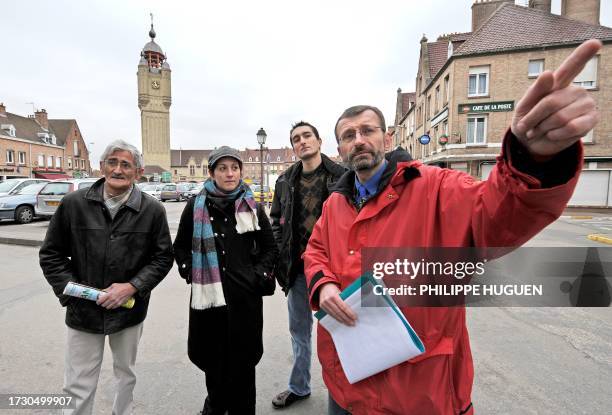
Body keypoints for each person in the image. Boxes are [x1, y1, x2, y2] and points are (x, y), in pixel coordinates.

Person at [304, 39, 602, 415]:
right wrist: (324, 283)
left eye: (368, 130)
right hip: (348, 383)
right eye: (349, 135)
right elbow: (315, 252)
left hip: (421, 394)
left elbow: (498, 216)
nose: (359, 140)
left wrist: (533, 158)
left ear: (388, 138)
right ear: (340, 149)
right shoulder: (335, 204)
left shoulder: (436, 187)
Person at [39, 140, 174, 415]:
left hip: (128, 310)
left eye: (126, 164)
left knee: (126, 374)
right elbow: (51, 255)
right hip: (83, 310)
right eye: (112, 163)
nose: (118, 170)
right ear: (102, 167)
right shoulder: (73, 204)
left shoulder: (152, 211)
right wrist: (73, 294)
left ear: (138, 171)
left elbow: (162, 258)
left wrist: (132, 287)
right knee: (77, 381)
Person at [173, 146, 278, 415]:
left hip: (244, 300)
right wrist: (192, 274)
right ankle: (215, 407)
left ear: (240, 171)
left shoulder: (251, 205)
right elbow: (181, 246)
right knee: (215, 364)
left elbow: (269, 247)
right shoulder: (195, 206)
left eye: (234, 167)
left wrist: (257, 276)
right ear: (212, 173)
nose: (230, 173)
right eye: (222, 168)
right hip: (209, 301)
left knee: (244, 368)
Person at [269, 121, 346, 409]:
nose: (302, 142)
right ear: (293, 147)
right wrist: (280, 257)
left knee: (340, 332)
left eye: (306, 136)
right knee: (299, 332)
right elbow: (276, 221)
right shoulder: (285, 180)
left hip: (334, 271)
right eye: (296, 139)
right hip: (297, 271)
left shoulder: (342, 176)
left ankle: (342, 393)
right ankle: (299, 386)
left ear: (319, 141)